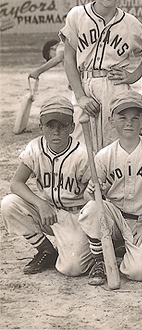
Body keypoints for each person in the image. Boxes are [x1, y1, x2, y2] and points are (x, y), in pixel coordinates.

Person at [79, 91, 142, 286]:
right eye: (122, 117)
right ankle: (99, 259)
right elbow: (89, 197)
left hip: (141, 221)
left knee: (139, 272)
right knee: (93, 208)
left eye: (134, 118)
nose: (129, 123)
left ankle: (124, 248)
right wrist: (97, 191)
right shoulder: (104, 155)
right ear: (111, 120)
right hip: (113, 216)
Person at [1, 96, 92, 277]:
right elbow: (16, 184)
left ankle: (93, 247)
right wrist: (40, 204)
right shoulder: (35, 147)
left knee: (72, 269)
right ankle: (46, 250)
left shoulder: (83, 154)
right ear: (41, 127)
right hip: (48, 213)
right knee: (9, 204)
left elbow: (96, 196)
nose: (56, 132)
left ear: (72, 127)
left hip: (77, 217)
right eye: (50, 126)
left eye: (62, 125)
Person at [60, 0, 142, 150]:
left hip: (115, 87)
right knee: (82, 147)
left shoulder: (131, 24)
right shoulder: (77, 15)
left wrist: (133, 76)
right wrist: (80, 96)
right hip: (85, 83)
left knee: (113, 145)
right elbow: (69, 58)